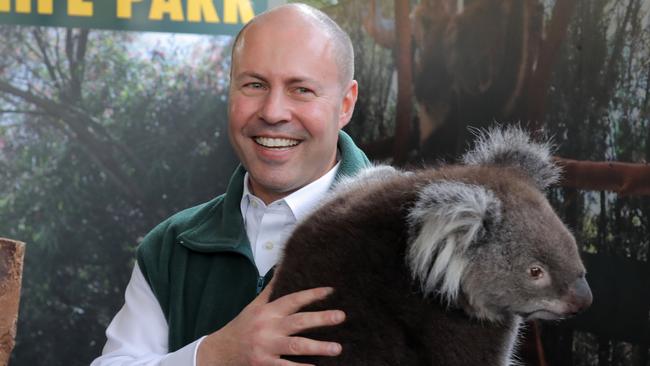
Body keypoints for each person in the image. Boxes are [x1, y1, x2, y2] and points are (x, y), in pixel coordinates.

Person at [91, 3, 371, 366]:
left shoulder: (416, 235)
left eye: (301, 89)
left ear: (345, 104)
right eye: (255, 84)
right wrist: (213, 355)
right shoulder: (171, 247)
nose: (272, 112)